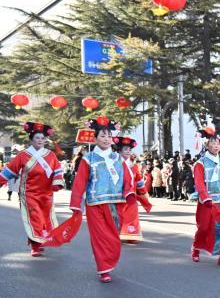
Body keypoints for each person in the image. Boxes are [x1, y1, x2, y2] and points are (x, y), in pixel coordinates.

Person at [69, 116, 135, 283]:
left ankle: (108, 262)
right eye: (102, 136)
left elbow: (128, 179)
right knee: (100, 237)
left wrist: (129, 193)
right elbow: (80, 182)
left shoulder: (118, 158)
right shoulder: (88, 158)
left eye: (108, 136)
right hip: (94, 203)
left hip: (116, 202)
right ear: (95, 138)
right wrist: (76, 203)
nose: (106, 139)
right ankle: (103, 269)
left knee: (113, 237)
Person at [0, 122, 64, 257]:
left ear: (45, 140)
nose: (40, 140)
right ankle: (35, 245)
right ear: (31, 139)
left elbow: (57, 170)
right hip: (29, 193)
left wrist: (56, 183)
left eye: (42, 138)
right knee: (34, 218)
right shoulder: (23, 155)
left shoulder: (51, 155)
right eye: (37, 138)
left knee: (43, 219)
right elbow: (10, 170)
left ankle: (37, 241)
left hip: (46, 193)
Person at [191, 127, 220, 266]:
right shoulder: (200, 163)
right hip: (208, 201)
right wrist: (205, 197)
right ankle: (196, 248)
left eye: (217, 143)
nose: (216, 146)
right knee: (204, 227)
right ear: (206, 145)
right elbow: (199, 183)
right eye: (213, 143)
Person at [114, 137, 149, 244]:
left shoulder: (133, 166)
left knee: (132, 215)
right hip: (118, 195)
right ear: (119, 151)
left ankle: (131, 235)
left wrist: (143, 191)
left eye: (130, 150)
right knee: (118, 216)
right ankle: (116, 234)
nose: (128, 151)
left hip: (131, 195)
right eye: (125, 149)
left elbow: (138, 180)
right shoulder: (114, 164)